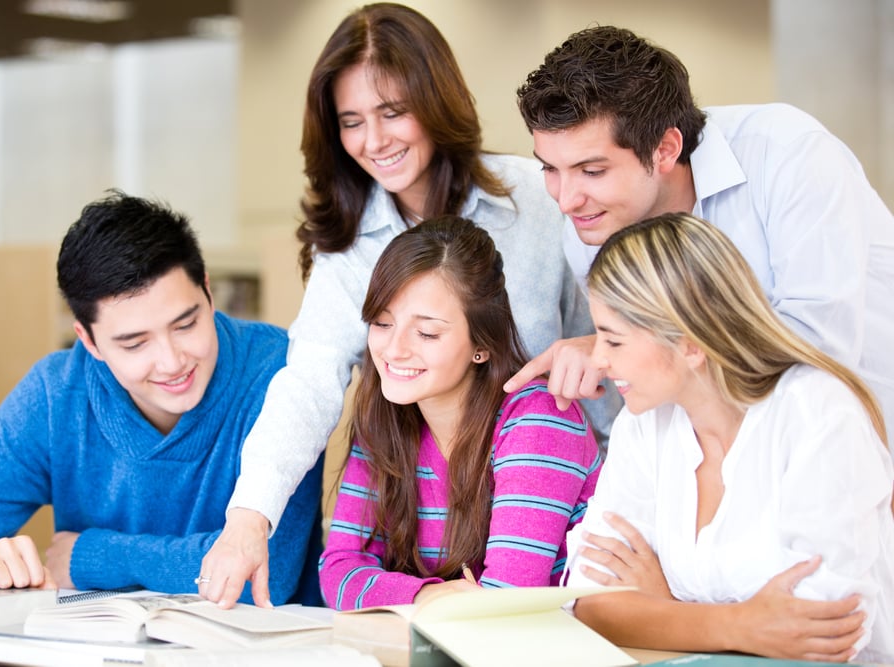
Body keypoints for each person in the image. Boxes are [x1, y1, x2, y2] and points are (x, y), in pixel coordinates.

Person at [199, 3, 621, 608]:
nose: (374, 141)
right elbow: (309, 382)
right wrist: (249, 517)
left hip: (565, 504)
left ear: (436, 100)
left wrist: (624, 500)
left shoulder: (537, 195)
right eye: (351, 121)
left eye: (393, 111)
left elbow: (622, 332)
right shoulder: (347, 249)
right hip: (451, 541)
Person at [0, 191, 324, 601]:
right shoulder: (55, 396)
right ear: (88, 341)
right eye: (134, 343)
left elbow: (263, 574)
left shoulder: (281, 374)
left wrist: (90, 556)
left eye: (185, 324)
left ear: (208, 292)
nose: (171, 361)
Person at [508, 24, 894, 448]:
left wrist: (618, 345)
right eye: (549, 169)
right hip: (726, 463)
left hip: (863, 444)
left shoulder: (788, 154)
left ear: (666, 149)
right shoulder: (589, 229)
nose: (565, 201)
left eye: (593, 171)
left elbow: (818, 348)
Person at [563, 212, 894, 663]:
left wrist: (664, 610)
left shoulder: (816, 414)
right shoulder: (646, 423)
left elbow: (826, 635)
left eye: (614, 341)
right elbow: (589, 603)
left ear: (692, 343)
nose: (598, 359)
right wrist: (739, 624)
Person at [319, 216, 601, 609]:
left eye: (427, 333)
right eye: (382, 323)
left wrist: (402, 596)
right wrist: (429, 594)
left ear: (480, 345)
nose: (393, 349)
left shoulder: (539, 419)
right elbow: (338, 570)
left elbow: (506, 604)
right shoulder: (387, 419)